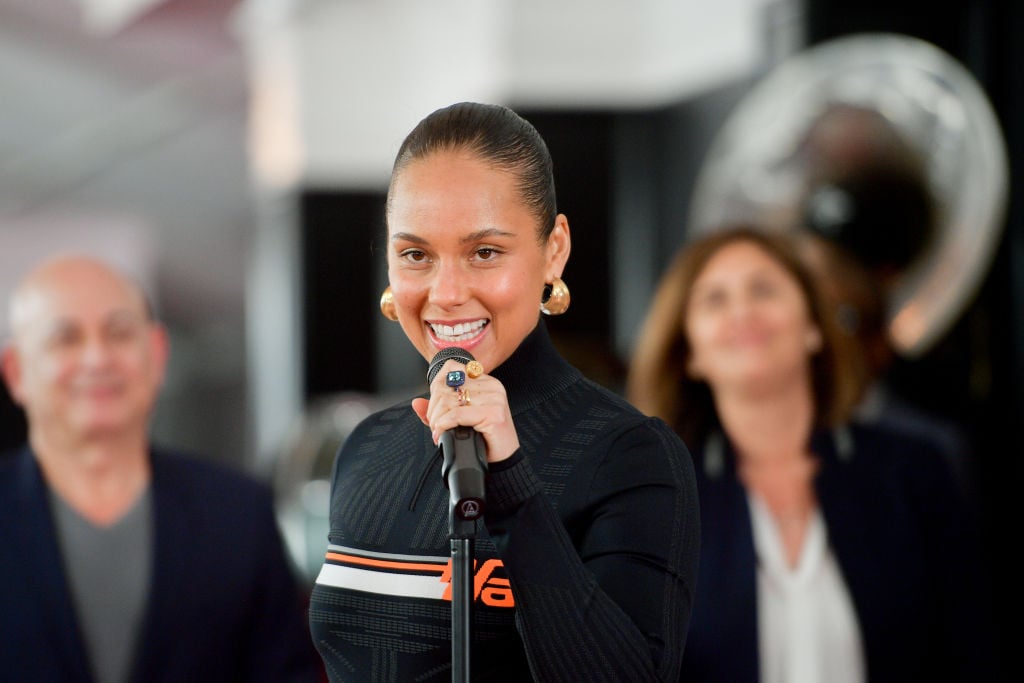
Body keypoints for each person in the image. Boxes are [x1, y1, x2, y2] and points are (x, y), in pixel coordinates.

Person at [307, 101, 700, 682]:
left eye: (485, 252)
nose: (446, 293)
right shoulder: (368, 445)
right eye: (416, 255)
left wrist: (512, 484)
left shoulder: (631, 455)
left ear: (554, 249)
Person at [626, 226, 998, 682]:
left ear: (813, 328)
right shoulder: (655, 498)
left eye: (763, 290)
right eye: (715, 300)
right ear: (691, 354)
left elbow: (974, 653)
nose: (742, 311)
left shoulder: (915, 471)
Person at [0, 255, 322, 683]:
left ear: (157, 353)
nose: (97, 358)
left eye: (119, 333)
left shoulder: (239, 513)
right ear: (16, 372)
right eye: (66, 338)